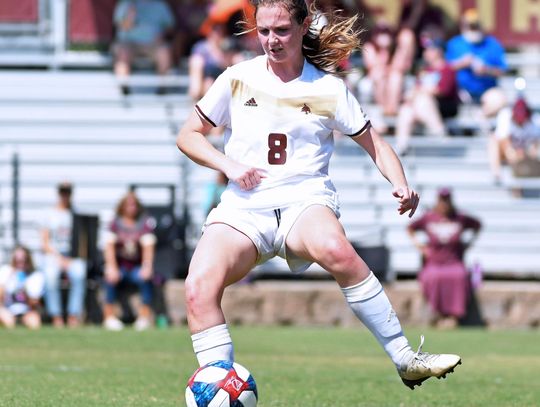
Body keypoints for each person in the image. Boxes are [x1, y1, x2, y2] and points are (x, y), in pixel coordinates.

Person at [176, 0, 461, 390]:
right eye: (263, 31)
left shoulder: (328, 88)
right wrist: (229, 165)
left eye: (281, 30)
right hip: (243, 208)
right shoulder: (236, 78)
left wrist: (400, 182)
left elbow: (374, 143)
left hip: (304, 200)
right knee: (197, 287)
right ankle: (220, 386)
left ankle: (406, 358)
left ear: (303, 24)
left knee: (336, 249)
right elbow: (187, 135)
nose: (271, 41)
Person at [408, 188, 481, 329]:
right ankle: (438, 314)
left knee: (459, 276)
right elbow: (410, 228)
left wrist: (468, 244)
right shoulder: (429, 218)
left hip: (454, 261)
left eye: (447, 200)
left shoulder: (460, 218)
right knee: (434, 277)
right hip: (434, 263)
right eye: (442, 200)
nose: (445, 204)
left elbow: (477, 225)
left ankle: (454, 316)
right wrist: (421, 247)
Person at [102, 191, 157, 331]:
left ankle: (144, 316)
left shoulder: (144, 223)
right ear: (122, 206)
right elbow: (109, 247)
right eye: (128, 204)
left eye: (134, 204)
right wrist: (111, 267)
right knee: (109, 278)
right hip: (120, 267)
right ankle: (109, 316)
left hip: (136, 267)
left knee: (145, 278)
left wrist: (147, 266)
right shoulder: (115, 223)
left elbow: (148, 247)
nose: (131, 207)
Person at [395, 38, 459, 155]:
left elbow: (442, 91)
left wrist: (421, 91)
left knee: (422, 100)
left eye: (429, 50)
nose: (425, 53)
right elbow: (417, 89)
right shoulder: (425, 70)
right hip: (423, 106)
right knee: (406, 110)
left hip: (443, 105)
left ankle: (439, 133)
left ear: (438, 51)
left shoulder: (447, 69)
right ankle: (402, 145)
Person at [41, 182, 87, 328]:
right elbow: (45, 242)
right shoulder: (49, 214)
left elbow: (82, 240)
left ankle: (73, 315)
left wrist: (70, 258)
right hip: (53, 255)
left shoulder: (76, 213)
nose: (65, 195)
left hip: (72, 256)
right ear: (58, 194)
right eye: (63, 192)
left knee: (79, 273)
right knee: (50, 276)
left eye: (67, 192)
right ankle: (56, 316)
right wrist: (59, 258)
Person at [445, 8, 507, 105]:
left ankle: (482, 117)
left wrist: (486, 70)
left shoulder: (492, 44)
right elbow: (444, 68)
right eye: (470, 26)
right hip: (459, 92)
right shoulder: (454, 44)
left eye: (475, 26)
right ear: (463, 27)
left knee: (499, 100)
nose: (473, 30)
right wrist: (462, 63)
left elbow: (502, 71)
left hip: (486, 91)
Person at [113, 0, 175, 94]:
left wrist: (163, 34)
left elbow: (170, 27)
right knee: (122, 54)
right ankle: (124, 88)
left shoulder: (160, 5)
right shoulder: (125, 4)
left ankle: (163, 87)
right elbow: (121, 26)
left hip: (154, 44)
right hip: (129, 43)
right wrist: (130, 15)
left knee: (164, 52)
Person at [489, 96, 540, 183]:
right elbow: (502, 139)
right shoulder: (505, 115)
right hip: (509, 153)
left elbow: (535, 145)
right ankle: (496, 173)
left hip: (527, 155)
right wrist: (511, 151)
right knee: (493, 140)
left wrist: (529, 151)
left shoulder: (535, 121)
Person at [0, 245, 45, 329]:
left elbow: (34, 303)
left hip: (27, 311)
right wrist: (8, 279)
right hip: (7, 310)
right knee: (8, 321)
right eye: (17, 260)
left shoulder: (35, 276)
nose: (20, 263)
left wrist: (24, 287)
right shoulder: (5, 271)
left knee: (35, 324)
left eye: (23, 260)